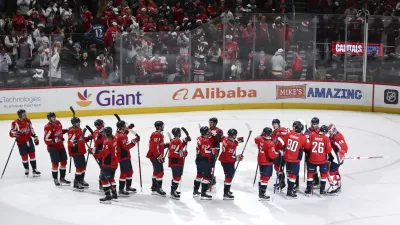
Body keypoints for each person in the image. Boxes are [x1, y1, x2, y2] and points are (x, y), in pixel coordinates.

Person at [279, 123, 310, 199]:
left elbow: (284, 142)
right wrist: (307, 138)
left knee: (289, 173)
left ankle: (290, 188)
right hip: (295, 159)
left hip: (287, 157)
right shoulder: (302, 138)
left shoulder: (288, 134)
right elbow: (307, 147)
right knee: (293, 175)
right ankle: (290, 191)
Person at [90, 126, 118, 203]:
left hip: (108, 164)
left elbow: (105, 153)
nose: (103, 134)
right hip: (115, 163)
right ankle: (114, 193)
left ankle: (108, 195)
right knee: (111, 178)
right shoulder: (114, 138)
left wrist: (94, 152)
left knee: (103, 179)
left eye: (104, 133)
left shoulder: (107, 141)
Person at [9, 109, 41, 177]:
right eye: (23, 114)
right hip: (21, 142)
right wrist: (16, 133)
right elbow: (11, 132)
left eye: (25, 114)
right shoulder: (15, 123)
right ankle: (26, 168)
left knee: (32, 154)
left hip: (29, 140)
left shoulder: (28, 121)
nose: (25, 115)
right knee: (24, 156)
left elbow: (31, 129)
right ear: (20, 115)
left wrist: (34, 136)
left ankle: (34, 169)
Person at [304, 125, 332, 196]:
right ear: (325, 132)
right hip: (322, 160)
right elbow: (329, 150)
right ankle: (322, 191)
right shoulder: (326, 138)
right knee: (323, 175)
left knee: (310, 174)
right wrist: (330, 157)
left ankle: (308, 190)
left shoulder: (312, 136)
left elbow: (307, 147)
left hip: (312, 159)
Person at [44, 112, 70, 186]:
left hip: (61, 146)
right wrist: (53, 140)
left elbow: (59, 132)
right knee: (55, 164)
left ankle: (62, 178)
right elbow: (46, 139)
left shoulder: (58, 122)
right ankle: (55, 179)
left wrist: (66, 130)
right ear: (49, 119)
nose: (54, 118)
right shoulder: (47, 127)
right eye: (52, 117)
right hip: (53, 148)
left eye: (54, 117)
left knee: (64, 162)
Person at [218, 129, 244, 200]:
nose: (236, 136)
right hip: (227, 161)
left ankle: (227, 191)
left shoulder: (226, 138)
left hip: (224, 159)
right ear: (233, 135)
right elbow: (229, 157)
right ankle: (226, 193)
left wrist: (237, 140)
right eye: (235, 135)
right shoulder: (230, 145)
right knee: (229, 176)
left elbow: (231, 141)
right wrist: (237, 158)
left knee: (229, 175)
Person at [67, 117, 92, 191]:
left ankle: (81, 180)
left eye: (79, 122)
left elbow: (82, 139)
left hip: (81, 151)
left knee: (83, 166)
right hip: (76, 151)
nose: (79, 123)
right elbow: (70, 141)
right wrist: (74, 142)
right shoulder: (72, 131)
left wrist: (89, 138)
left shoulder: (80, 130)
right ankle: (76, 183)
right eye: (77, 122)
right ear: (73, 123)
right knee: (79, 167)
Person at [115, 120, 139, 196]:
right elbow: (125, 147)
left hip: (125, 156)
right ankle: (121, 189)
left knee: (129, 172)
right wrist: (134, 141)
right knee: (124, 173)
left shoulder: (119, 133)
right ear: (121, 127)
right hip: (123, 156)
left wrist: (129, 128)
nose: (126, 127)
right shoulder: (121, 136)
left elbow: (125, 133)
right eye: (124, 126)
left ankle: (128, 187)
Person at [256, 127, 280, 201]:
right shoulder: (270, 143)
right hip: (267, 162)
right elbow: (272, 155)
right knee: (266, 178)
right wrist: (278, 153)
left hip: (260, 161)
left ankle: (260, 193)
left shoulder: (259, 139)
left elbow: (256, 139)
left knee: (262, 176)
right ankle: (262, 194)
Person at [194, 126, 218, 200]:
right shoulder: (206, 141)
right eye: (208, 131)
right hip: (204, 160)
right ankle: (203, 194)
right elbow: (204, 152)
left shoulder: (199, 138)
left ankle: (195, 191)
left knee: (199, 175)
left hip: (198, 159)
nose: (209, 132)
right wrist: (213, 151)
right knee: (206, 177)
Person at [146, 121, 169, 196]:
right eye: (162, 126)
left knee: (156, 171)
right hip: (155, 156)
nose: (163, 127)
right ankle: (158, 188)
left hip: (155, 156)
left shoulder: (158, 134)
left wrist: (166, 145)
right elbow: (153, 147)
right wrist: (159, 156)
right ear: (159, 127)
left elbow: (159, 146)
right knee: (160, 172)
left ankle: (154, 187)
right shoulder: (156, 134)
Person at [168, 128, 190, 200]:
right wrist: (183, 153)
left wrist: (184, 141)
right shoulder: (174, 141)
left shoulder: (178, 140)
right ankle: (173, 192)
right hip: (175, 162)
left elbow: (179, 147)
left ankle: (173, 191)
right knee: (177, 177)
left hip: (178, 161)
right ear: (178, 133)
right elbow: (172, 153)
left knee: (177, 177)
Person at [327, 124, 348, 194]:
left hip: (338, 157)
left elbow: (344, 148)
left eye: (330, 131)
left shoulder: (338, 137)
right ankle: (338, 184)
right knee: (335, 171)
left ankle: (334, 186)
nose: (329, 133)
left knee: (331, 171)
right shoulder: (332, 136)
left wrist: (340, 156)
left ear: (333, 130)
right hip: (335, 156)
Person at [271, 119, 288, 191]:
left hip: (281, 153)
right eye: (273, 124)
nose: (274, 125)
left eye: (276, 124)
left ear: (278, 124)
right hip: (276, 152)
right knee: (277, 167)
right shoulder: (273, 132)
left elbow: (286, 139)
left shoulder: (282, 130)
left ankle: (282, 183)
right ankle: (281, 182)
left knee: (279, 167)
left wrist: (284, 148)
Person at [305, 117, 321, 187]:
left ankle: (317, 180)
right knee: (310, 167)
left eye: (315, 124)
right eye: (312, 123)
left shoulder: (320, 130)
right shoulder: (308, 130)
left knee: (318, 167)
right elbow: (305, 138)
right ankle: (314, 179)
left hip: (318, 152)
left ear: (317, 124)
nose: (313, 125)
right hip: (309, 151)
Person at [208, 117, 223, 187]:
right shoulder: (207, 129)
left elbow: (220, 139)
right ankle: (209, 177)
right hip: (207, 149)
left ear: (215, 123)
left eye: (211, 122)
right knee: (207, 163)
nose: (210, 124)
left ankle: (211, 178)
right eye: (209, 122)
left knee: (211, 164)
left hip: (215, 149)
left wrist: (214, 134)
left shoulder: (219, 130)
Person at [92, 119, 105, 191]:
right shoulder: (96, 132)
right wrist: (100, 134)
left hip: (105, 152)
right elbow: (97, 140)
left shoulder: (104, 130)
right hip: (99, 153)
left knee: (105, 168)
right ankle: (101, 183)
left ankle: (104, 181)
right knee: (103, 168)